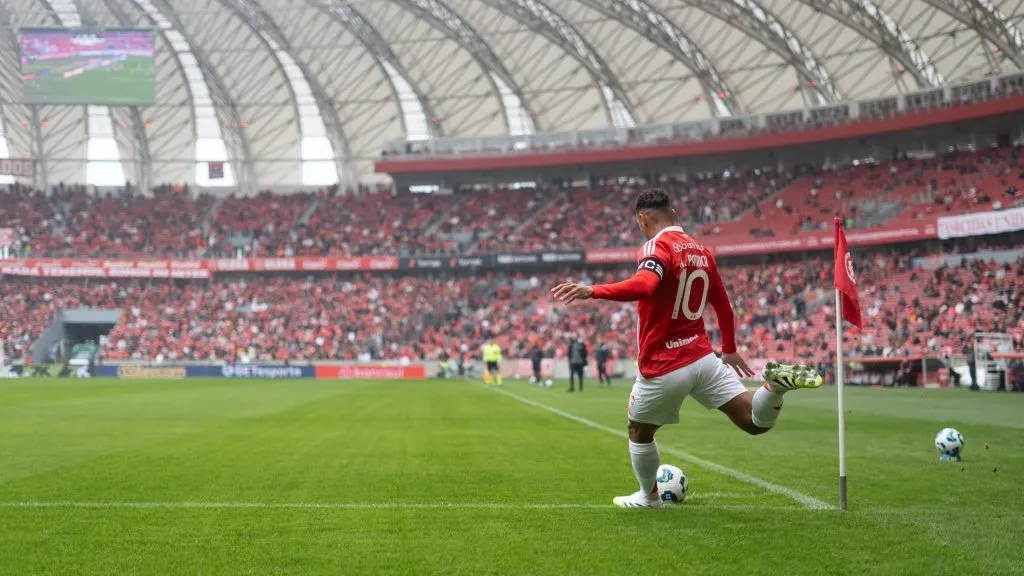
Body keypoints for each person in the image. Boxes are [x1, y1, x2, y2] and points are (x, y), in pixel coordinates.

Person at [551, 188, 822, 508]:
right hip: (703, 357)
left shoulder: (656, 246)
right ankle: (774, 388)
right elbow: (722, 303)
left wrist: (593, 291)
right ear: (674, 214)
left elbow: (645, 285)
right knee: (753, 421)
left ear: (643, 219)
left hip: (665, 363)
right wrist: (730, 347)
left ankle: (648, 497)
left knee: (639, 431)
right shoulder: (702, 251)